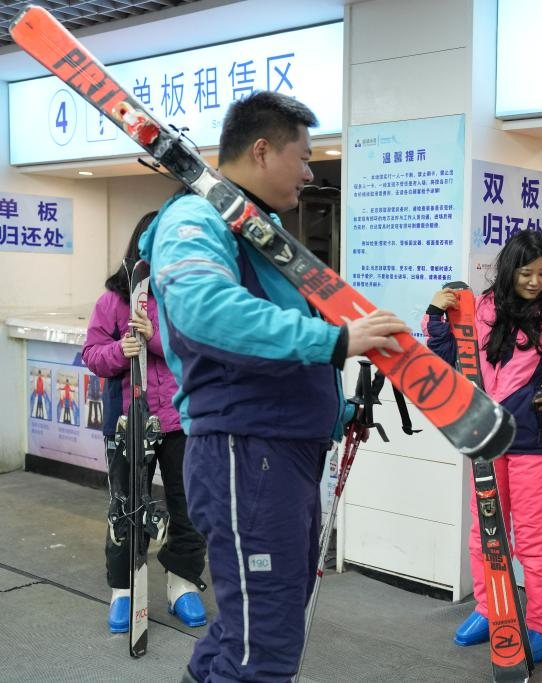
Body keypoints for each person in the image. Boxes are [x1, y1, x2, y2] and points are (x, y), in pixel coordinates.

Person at [138, 91, 409, 683]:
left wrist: (335, 404)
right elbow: (205, 311)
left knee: (243, 635)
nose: (311, 173)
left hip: (276, 455)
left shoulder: (257, 230)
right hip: (246, 454)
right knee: (264, 648)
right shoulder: (194, 219)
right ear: (262, 150)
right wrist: (336, 342)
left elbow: (275, 339)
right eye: (304, 156)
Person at [423, 230, 542, 663]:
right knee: (485, 530)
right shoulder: (484, 308)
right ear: (510, 270)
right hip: (486, 436)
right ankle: (493, 610)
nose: (535, 281)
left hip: (533, 441)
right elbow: (450, 353)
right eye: (527, 272)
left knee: (531, 538)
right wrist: (436, 313)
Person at [82, 211, 208, 634]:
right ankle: (122, 591)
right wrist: (122, 349)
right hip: (126, 423)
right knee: (125, 508)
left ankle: (183, 584)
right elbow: (92, 355)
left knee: (188, 508)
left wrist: (154, 335)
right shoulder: (112, 301)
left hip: (180, 421)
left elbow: (198, 352)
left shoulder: (187, 296)